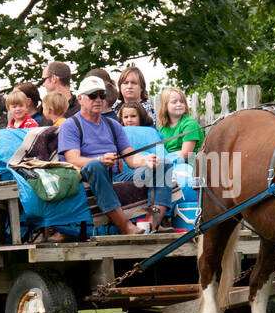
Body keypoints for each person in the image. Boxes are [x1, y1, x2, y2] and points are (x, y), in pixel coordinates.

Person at [59, 76, 173, 234]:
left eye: (102, 95)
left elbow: (130, 158)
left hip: (115, 176)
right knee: (95, 165)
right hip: (87, 176)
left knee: (164, 165)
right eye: (93, 96)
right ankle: (124, 226)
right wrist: (100, 160)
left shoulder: (113, 125)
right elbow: (73, 159)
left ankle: (153, 222)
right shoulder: (71, 125)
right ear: (80, 98)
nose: (98, 99)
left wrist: (145, 160)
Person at [158, 86, 204, 164]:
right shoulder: (163, 128)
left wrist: (162, 158)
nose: (179, 104)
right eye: (174, 102)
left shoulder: (189, 124)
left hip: (190, 165)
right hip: (168, 163)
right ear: (165, 106)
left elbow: (186, 154)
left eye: (182, 101)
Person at [37, 61, 79, 125]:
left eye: (44, 80)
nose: (43, 84)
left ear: (54, 78)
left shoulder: (82, 110)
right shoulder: (45, 110)